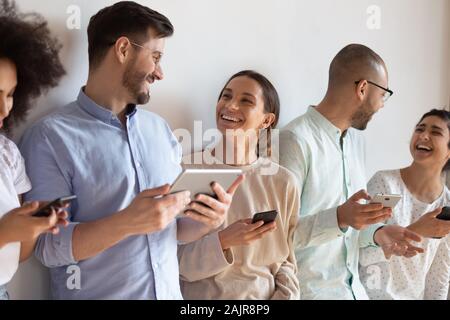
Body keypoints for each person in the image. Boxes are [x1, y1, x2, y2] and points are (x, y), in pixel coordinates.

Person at [19, 1, 241, 300]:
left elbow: (173, 231)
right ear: (123, 49)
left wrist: (206, 221)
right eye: (156, 57)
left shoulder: (161, 131)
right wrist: (126, 222)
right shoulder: (49, 138)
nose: (160, 73)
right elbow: (45, 247)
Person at [279, 44, 423, 300]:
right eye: (384, 94)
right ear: (363, 89)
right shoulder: (294, 140)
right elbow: (277, 235)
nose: (382, 105)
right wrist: (340, 218)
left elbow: (346, 229)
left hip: (354, 293)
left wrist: (378, 234)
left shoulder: (356, 143)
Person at [178, 70, 300, 299]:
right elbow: (178, 265)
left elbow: (287, 262)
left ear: (267, 120)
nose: (230, 105)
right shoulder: (186, 170)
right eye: (226, 96)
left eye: (246, 100)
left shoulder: (284, 182)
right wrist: (224, 241)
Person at [0, 0, 67, 300]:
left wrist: (34, 227)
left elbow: (19, 254)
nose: (4, 108)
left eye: (11, 94)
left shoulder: (8, 154)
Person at [360, 109, 450, 300]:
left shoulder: (447, 205)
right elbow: (362, 248)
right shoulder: (385, 184)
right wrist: (417, 230)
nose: (423, 136)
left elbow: (439, 275)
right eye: (420, 129)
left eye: (435, 132)